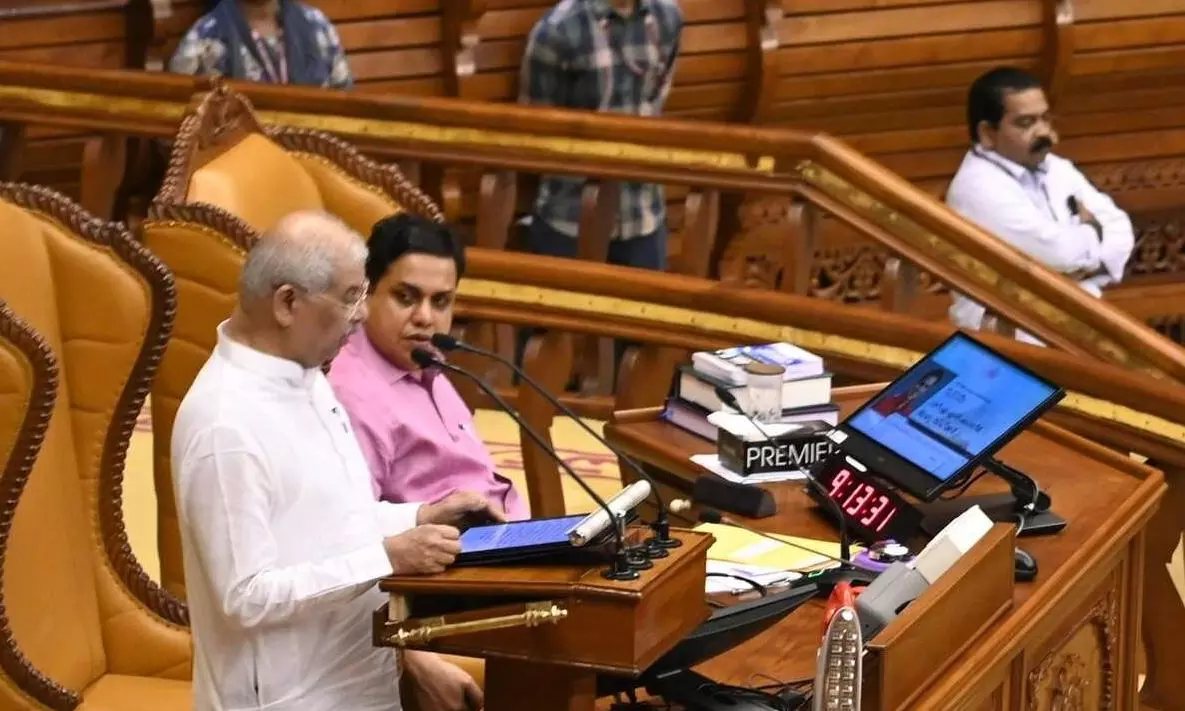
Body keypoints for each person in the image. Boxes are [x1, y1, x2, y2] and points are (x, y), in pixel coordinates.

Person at [171, 210, 500, 711]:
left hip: (359, 680)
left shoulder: (305, 377)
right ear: (287, 303)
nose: (362, 315)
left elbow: (330, 521)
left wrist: (419, 516)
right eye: (350, 297)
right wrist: (388, 557)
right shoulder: (225, 424)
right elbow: (246, 596)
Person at [329, 213, 529, 523]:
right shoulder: (351, 393)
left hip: (506, 540)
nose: (424, 317)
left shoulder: (424, 359)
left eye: (440, 302)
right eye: (405, 297)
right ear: (365, 292)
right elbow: (348, 525)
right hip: (449, 563)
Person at [946, 66, 1135, 343]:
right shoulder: (977, 187)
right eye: (1026, 123)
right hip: (1011, 341)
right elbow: (1060, 253)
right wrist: (1092, 231)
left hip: (1077, 328)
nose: (1043, 132)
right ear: (987, 132)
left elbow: (1121, 231)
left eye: (1045, 119)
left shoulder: (1057, 168)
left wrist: (1075, 262)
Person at [518, 0, 683, 271]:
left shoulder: (668, 16)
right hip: (569, 220)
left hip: (644, 215)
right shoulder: (558, 30)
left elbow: (656, 99)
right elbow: (534, 130)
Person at [168, 0, 353, 90]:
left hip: (317, 158)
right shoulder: (203, 41)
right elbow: (177, 130)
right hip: (241, 161)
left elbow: (347, 103)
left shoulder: (317, 26)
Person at [872, 370, 943, 417]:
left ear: (927, 391)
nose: (919, 389)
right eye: (921, 383)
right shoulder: (887, 394)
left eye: (926, 387)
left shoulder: (909, 415)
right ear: (917, 381)